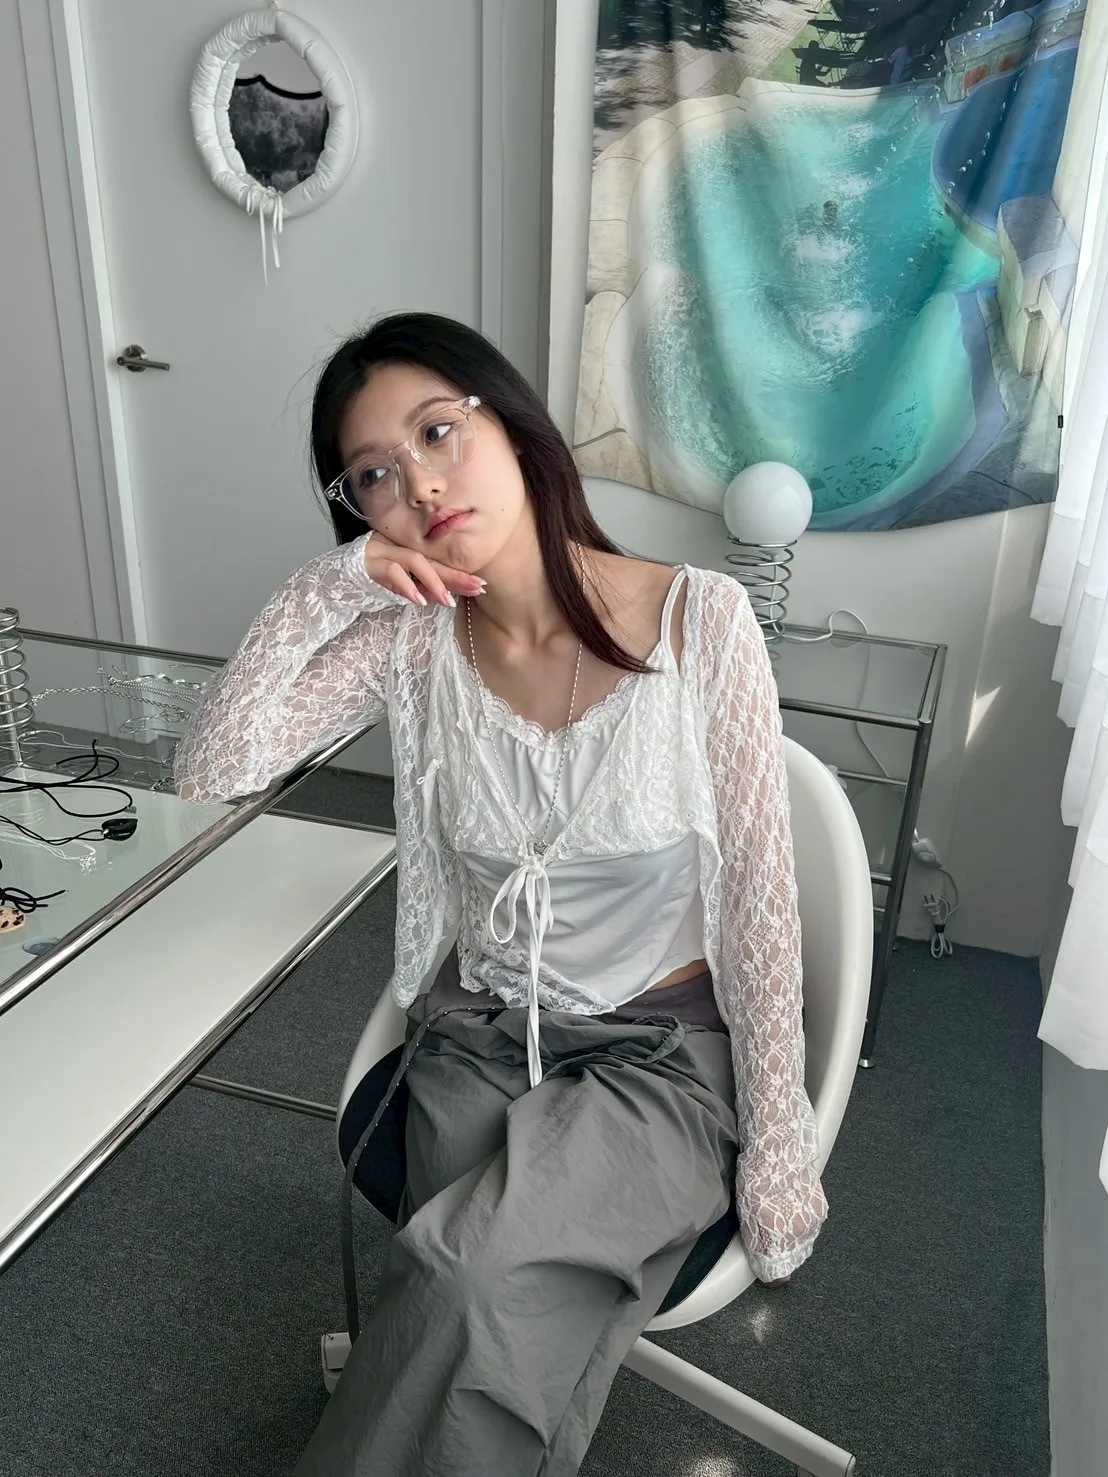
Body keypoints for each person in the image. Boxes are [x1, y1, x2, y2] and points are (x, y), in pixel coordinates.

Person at [173, 312, 827, 1476]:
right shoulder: (410, 644)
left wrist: (779, 1148)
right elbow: (209, 771)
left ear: (515, 426)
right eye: (373, 475)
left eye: (437, 432)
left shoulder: (701, 621)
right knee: (483, 1305)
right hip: (475, 1038)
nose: (418, 485)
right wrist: (328, 588)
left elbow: (759, 912)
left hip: (654, 1057)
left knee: (462, 1276)